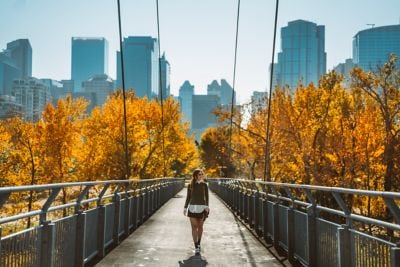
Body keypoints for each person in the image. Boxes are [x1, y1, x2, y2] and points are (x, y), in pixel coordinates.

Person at [183, 169, 210, 254]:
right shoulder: (190, 185)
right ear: (195, 176)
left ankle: (199, 242)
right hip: (192, 208)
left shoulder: (204, 185)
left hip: (202, 208)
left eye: (202, 174)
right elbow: (188, 197)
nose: (201, 175)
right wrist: (185, 208)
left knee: (200, 227)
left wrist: (207, 206)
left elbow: (207, 197)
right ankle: (196, 246)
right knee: (194, 227)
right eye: (199, 174)